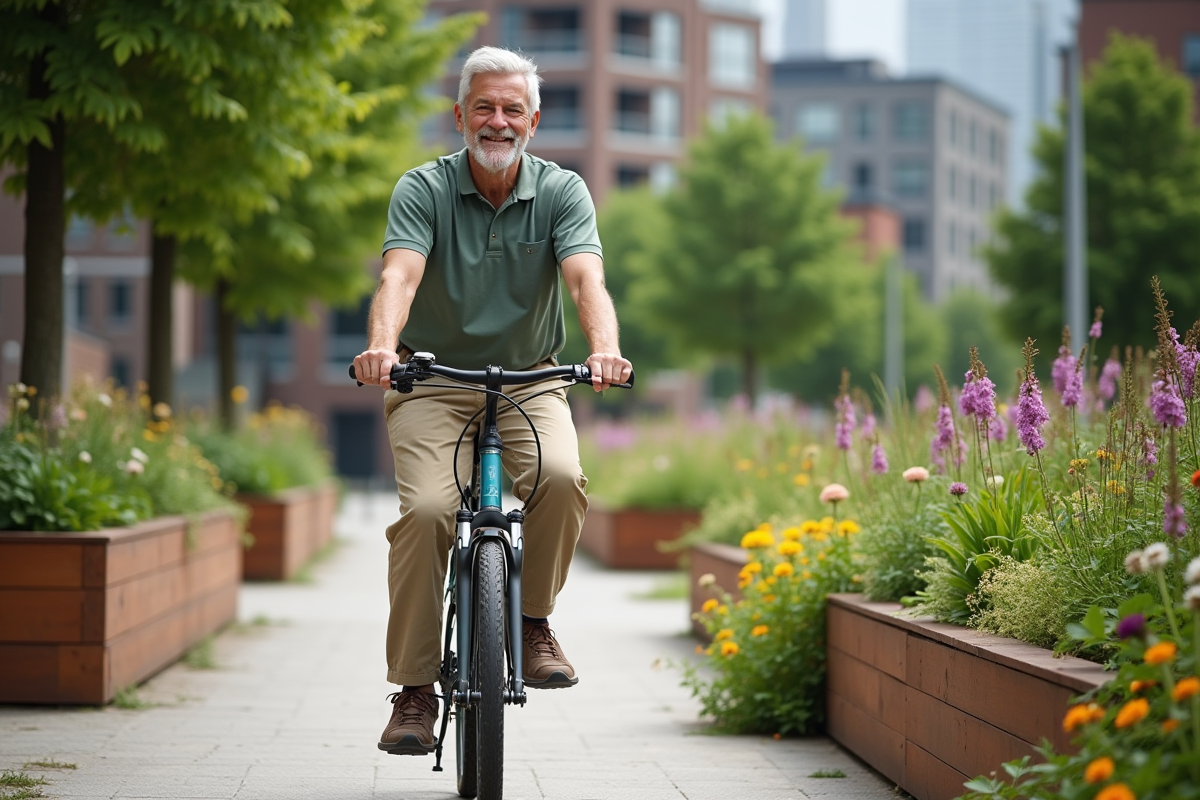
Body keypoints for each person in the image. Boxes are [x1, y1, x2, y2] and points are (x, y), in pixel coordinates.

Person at [352, 46, 632, 756]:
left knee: (565, 480)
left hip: (530, 381)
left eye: (512, 109)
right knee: (424, 514)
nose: (497, 121)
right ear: (459, 116)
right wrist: (383, 347)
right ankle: (414, 690)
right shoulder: (423, 188)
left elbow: (585, 281)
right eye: (484, 107)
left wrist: (603, 348)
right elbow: (399, 279)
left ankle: (533, 621)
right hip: (433, 381)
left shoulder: (563, 191)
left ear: (533, 121)